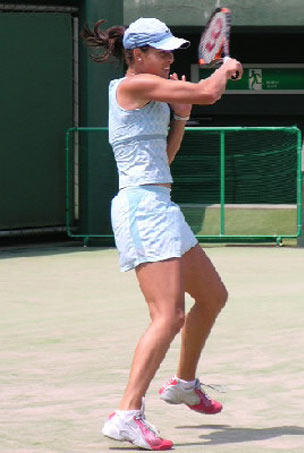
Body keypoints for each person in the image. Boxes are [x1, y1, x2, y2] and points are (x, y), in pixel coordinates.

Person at [81, 17, 242, 451]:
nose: (170, 58)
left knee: (212, 297)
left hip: (160, 204)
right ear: (136, 55)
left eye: (172, 51)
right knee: (168, 316)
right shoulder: (131, 87)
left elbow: (164, 160)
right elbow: (209, 91)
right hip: (141, 209)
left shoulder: (152, 95)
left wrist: (182, 118)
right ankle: (126, 414)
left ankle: (184, 384)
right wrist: (225, 68)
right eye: (162, 51)